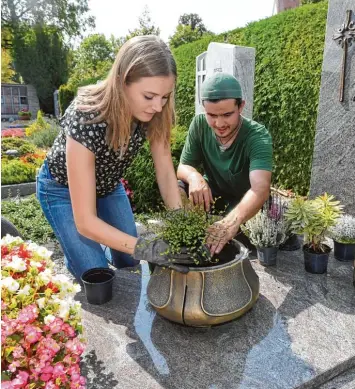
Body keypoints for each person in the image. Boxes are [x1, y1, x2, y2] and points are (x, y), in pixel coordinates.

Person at [37, 35, 190, 283]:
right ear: (121, 81)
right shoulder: (85, 115)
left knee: (129, 260)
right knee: (98, 273)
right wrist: (148, 248)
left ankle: (98, 245)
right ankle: (78, 253)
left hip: (108, 186)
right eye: (149, 96)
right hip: (61, 190)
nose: (158, 107)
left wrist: (181, 227)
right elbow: (85, 221)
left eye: (165, 97)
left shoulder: (157, 111)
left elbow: (164, 172)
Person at [177, 72, 273, 256]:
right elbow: (183, 167)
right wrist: (194, 177)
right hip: (212, 198)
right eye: (211, 115)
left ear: (241, 106)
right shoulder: (198, 125)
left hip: (244, 207)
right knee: (180, 186)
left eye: (227, 114)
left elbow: (260, 189)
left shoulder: (258, 137)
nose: (219, 123)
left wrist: (229, 223)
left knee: (238, 248)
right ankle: (189, 237)